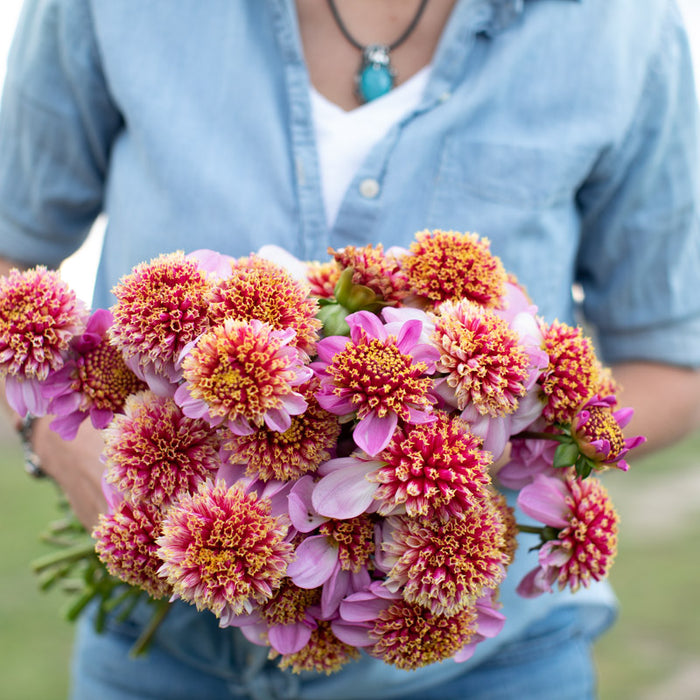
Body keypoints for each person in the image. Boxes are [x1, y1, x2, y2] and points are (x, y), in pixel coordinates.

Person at [1, 0, 700, 698]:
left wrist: (495, 456)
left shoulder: (622, 25)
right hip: (156, 655)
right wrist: (56, 439)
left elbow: (674, 357)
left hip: (485, 670)